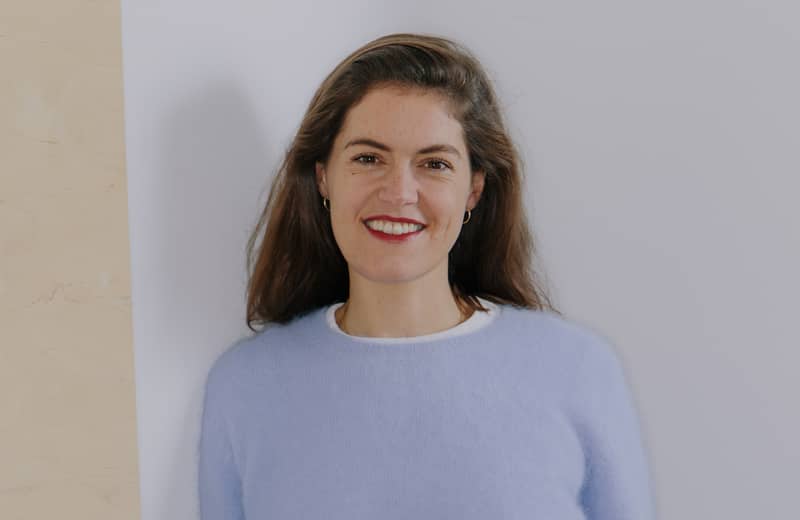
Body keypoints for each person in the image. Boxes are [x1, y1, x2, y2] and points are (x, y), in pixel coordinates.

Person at [198, 32, 657, 519]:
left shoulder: (578, 370)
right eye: (368, 158)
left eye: (434, 164)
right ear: (323, 176)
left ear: (474, 190)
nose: (399, 192)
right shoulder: (244, 387)